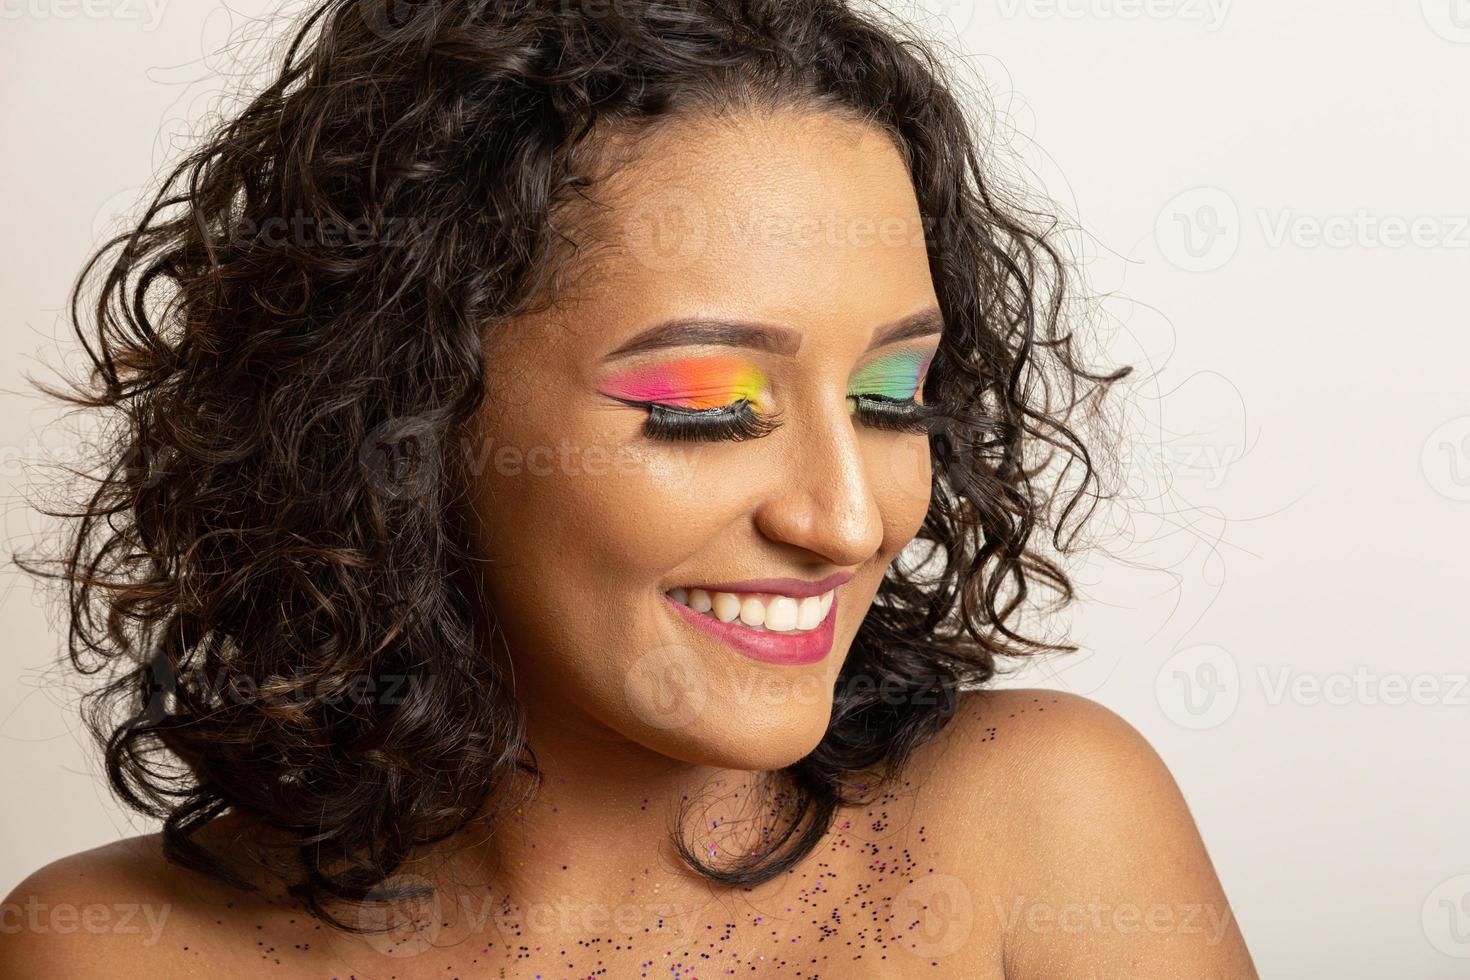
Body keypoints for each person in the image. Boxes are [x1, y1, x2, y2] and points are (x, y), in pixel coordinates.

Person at [2, 0, 1258, 976]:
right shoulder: (103, 945)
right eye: (708, 410)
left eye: (889, 398)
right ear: (405, 418)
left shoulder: (1038, 828)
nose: (845, 516)